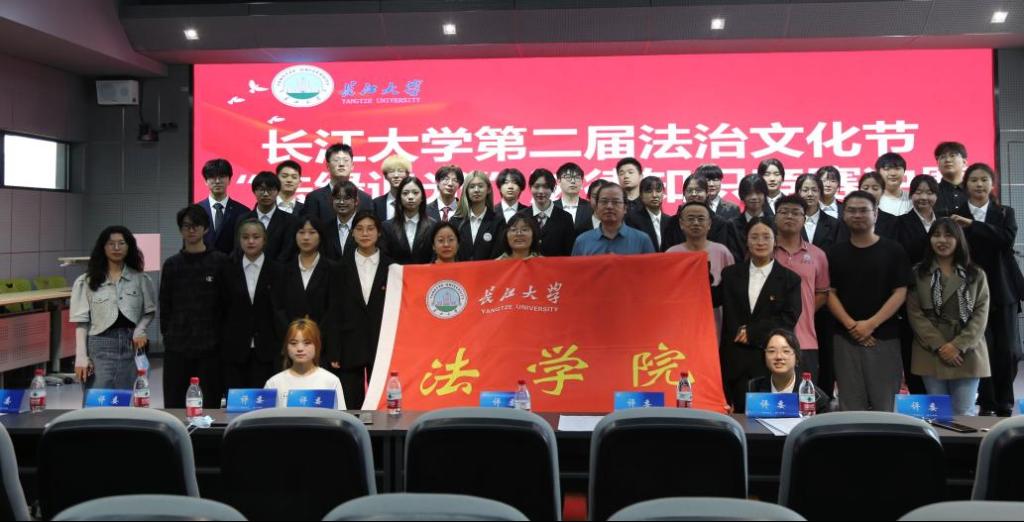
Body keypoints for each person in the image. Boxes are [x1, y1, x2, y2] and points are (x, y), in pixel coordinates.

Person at [827, 191, 912, 412]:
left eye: (863, 210)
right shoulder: (835, 253)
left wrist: (870, 325)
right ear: (844, 215)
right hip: (845, 338)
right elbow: (830, 293)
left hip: (884, 337)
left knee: (886, 406)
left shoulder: (894, 250)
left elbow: (900, 292)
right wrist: (852, 326)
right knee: (850, 406)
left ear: (875, 214)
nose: (857, 215)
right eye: (851, 210)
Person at [952, 163, 1024, 416]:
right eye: (974, 180)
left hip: (1003, 289)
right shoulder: (955, 214)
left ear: (992, 184)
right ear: (966, 185)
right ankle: (987, 401)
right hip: (969, 291)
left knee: (1009, 350)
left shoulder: (1004, 212)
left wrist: (972, 226)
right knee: (981, 349)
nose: (979, 184)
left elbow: (1006, 239)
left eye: (984, 179)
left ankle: (1005, 400)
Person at [716, 218, 802, 413]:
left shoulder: (790, 279)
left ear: (775, 241)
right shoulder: (730, 274)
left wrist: (753, 332)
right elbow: (711, 298)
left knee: (769, 418)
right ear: (746, 240)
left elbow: (789, 318)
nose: (760, 242)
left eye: (766, 237)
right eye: (754, 237)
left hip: (768, 361)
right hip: (734, 361)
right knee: (736, 418)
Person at [907, 218, 990, 416]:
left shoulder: (975, 273)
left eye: (948, 235)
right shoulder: (919, 273)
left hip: (966, 351)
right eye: (936, 235)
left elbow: (981, 314)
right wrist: (940, 346)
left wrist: (957, 346)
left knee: (964, 412)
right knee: (938, 413)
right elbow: (915, 313)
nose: (942, 240)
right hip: (930, 350)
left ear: (959, 240)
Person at [70, 226, 156, 394]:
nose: (116, 248)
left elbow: (149, 312)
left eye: (121, 243)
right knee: (97, 399)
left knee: (129, 399)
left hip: (132, 347)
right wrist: (80, 356)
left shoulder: (141, 279)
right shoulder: (86, 281)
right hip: (99, 347)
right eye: (111, 243)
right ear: (103, 247)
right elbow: (81, 323)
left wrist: (140, 330)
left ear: (129, 247)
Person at [161, 205, 229, 408]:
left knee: (209, 406)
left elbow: (226, 305)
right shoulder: (172, 265)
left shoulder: (220, 262)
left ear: (205, 228)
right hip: (177, 348)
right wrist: (169, 336)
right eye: (186, 226)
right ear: (180, 230)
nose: (191, 230)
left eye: (196, 225)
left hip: (211, 349)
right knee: (174, 404)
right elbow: (165, 305)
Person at [272, 215, 342, 378]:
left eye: (312, 232)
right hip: (290, 346)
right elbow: (277, 307)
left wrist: (313, 335)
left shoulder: (333, 269)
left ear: (320, 236)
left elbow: (334, 309)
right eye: (301, 232)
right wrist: (294, 335)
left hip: (322, 347)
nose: (306, 237)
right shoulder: (282, 270)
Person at [337, 211, 392, 409]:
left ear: (379, 232)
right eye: (359, 229)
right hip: (349, 343)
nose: (365, 233)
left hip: (382, 343)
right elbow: (334, 310)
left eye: (370, 229)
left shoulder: (392, 267)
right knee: (351, 402)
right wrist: (334, 350)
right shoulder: (340, 267)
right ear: (352, 233)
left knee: (382, 402)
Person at [220, 218, 284, 391]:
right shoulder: (227, 269)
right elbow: (221, 309)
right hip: (235, 349)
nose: (250, 241)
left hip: (268, 349)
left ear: (264, 240)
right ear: (239, 240)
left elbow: (280, 310)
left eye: (256, 237)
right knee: (237, 400)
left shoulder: (278, 271)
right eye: (245, 237)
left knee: (264, 400)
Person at [773, 195, 831, 380]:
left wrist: (801, 311)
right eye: (784, 212)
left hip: (805, 339)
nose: (790, 216)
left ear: (804, 219)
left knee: (805, 393)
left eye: (796, 213)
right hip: (768, 339)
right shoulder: (763, 251)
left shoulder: (817, 255)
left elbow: (822, 293)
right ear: (775, 217)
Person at [667, 201, 735, 338]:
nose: (696, 223)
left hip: (716, 325)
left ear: (709, 224)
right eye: (691, 219)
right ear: (681, 224)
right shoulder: (671, 254)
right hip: (680, 324)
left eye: (701, 218)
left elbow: (732, 293)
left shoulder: (722, 252)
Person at [265, 318, 346, 409]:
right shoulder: (274, 383)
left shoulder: (331, 381)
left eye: (307, 343)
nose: (300, 348)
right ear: (286, 347)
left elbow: (341, 416)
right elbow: (265, 417)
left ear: (317, 345)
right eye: (293, 343)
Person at [747, 329, 832, 414]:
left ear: (797, 358)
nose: (779, 357)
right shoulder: (754, 388)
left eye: (786, 351)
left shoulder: (817, 398)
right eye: (772, 351)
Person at [572, 183, 656, 256]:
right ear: (596, 207)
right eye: (604, 202)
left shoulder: (642, 240)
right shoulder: (582, 241)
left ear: (625, 208)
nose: (609, 206)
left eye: (615, 202)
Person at [302, 143, 372, 224]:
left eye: (346, 160)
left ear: (352, 166)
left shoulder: (365, 199)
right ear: (327, 166)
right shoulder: (314, 198)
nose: (341, 164)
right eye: (336, 160)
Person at [678, 174, 743, 261]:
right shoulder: (673, 222)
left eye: (698, 190)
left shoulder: (719, 223)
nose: (694, 194)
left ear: (707, 193)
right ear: (684, 193)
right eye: (689, 190)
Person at [197, 158, 248, 254]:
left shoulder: (243, 212)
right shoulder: (196, 211)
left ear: (229, 180)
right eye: (212, 177)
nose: (217, 181)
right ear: (205, 181)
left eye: (222, 176)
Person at [382, 176, 436, 265]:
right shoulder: (386, 227)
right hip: (397, 273)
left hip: (426, 273)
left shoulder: (433, 226)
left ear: (422, 197)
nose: (410, 197)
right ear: (399, 198)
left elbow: (435, 256)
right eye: (405, 193)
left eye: (415, 193)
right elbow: (384, 256)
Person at [243, 171, 296, 262]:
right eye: (261, 189)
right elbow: (239, 249)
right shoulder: (243, 219)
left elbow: (288, 251)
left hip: (279, 269)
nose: (266, 194)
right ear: (254, 191)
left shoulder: (290, 221)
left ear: (278, 191)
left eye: (270, 189)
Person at [451, 170, 500, 261]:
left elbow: (498, 254)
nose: (476, 190)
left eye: (480, 186)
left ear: (488, 189)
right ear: (466, 191)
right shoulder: (455, 221)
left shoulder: (498, 221)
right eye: (472, 187)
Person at [526, 168, 576, 257]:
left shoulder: (565, 218)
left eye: (545, 187)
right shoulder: (521, 217)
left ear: (553, 189)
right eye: (536, 186)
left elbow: (569, 252)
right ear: (530, 188)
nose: (541, 191)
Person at [896, 175, 940, 266]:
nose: (923, 197)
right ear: (911, 195)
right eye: (918, 192)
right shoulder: (899, 222)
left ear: (937, 196)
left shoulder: (944, 220)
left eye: (929, 193)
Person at [626, 177, 674, 252]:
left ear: (663, 194)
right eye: (649, 191)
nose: (654, 195)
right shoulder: (632, 219)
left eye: (658, 190)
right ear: (641, 195)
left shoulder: (670, 221)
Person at [794, 174, 840, 250]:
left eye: (814, 190)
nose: (810, 194)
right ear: (798, 192)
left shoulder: (834, 224)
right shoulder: (790, 222)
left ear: (820, 192)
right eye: (805, 190)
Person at [731, 174, 774, 244]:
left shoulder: (774, 223)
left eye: (758, 193)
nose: (754, 197)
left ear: (765, 195)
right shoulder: (732, 226)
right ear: (742, 196)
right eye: (749, 193)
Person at [554, 162, 594, 236]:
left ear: (582, 182)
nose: (573, 181)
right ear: (559, 181)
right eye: (568, 177)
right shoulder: (551, 207)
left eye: (577, 177)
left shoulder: (591, 207)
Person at [855, 171, 897, 239]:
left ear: (882, 192)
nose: (870, 192)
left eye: (875, 188)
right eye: (865, 188)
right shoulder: (848, 219)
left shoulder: (893, 221)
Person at [325, 181, 359, 262]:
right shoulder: (325, 229)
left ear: (356, 201)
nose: (341, 202)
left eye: (347, 198)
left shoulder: (364, 227)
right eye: (337, 198)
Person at [934, 141, 969, 217]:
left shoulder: (975, 190)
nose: (947, 160)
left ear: (964, 162)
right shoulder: (932, 192)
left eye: (952, 155)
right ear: (938, 164)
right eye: (942, 157)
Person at [373, 154, 411, 222]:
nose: (396, 175)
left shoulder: (413, 202)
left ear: (407, 175)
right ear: (385, 176)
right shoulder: (376, 204)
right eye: (391, 171)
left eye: (400, 171)